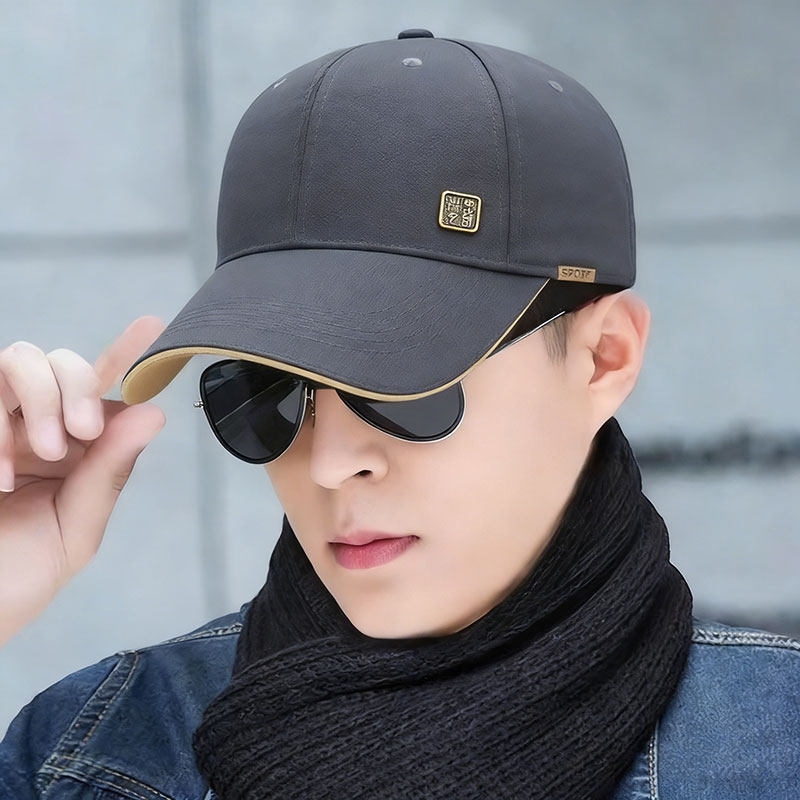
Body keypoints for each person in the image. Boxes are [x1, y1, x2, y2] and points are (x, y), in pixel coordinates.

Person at [0, 29, 798, 800]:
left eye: (402, 385)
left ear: (603, 359)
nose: (329, 463)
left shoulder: (777, 753)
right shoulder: (87, 754)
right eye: (270, 393)